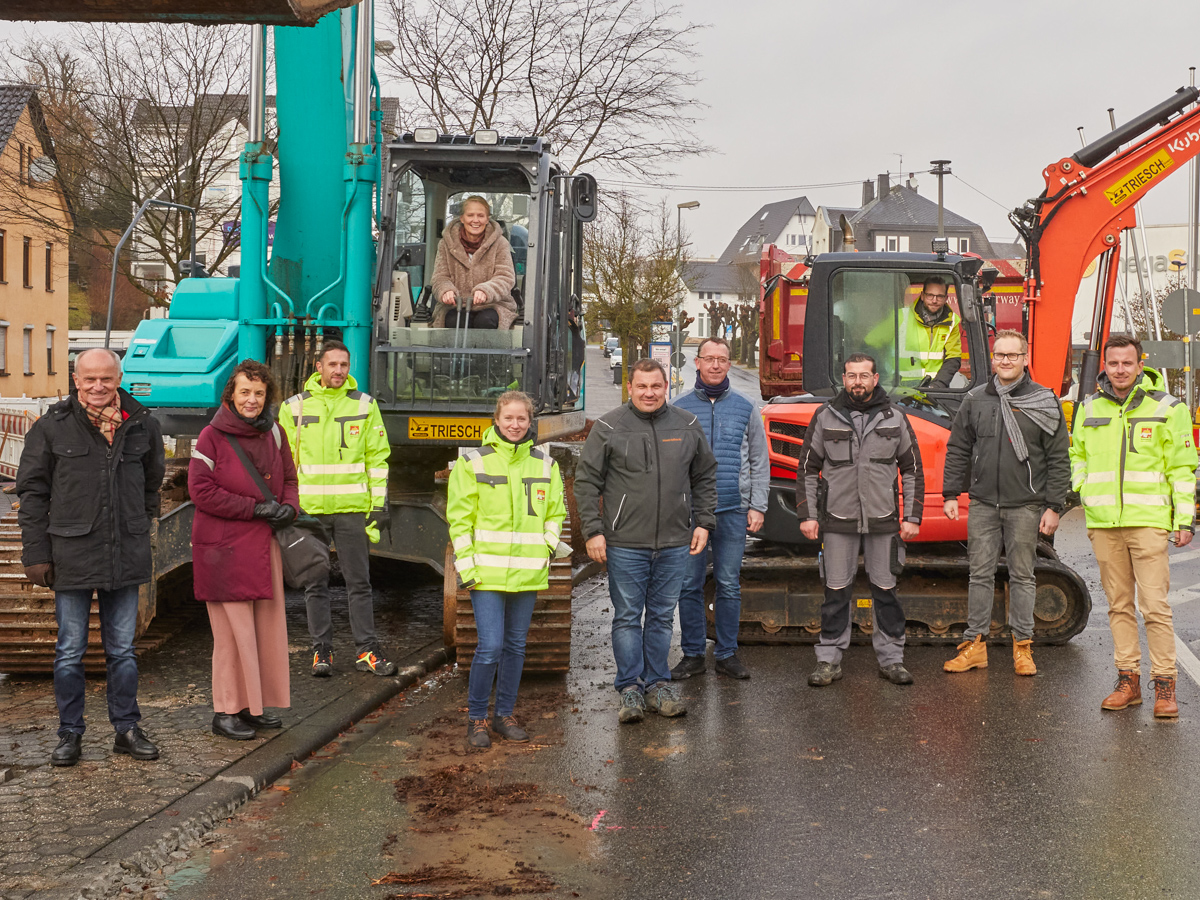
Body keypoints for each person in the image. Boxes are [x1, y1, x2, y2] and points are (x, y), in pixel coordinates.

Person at [16, 347, 165, 767]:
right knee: (70, 650)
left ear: (118, 378)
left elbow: (152, 483)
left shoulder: (142, 427)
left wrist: (139, 521)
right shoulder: (52, 428)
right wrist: (36, 554)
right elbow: (32, 494)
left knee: (122, 650)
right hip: (72, 554)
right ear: (76, 381)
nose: (98, 386)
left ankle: (126, 729)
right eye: (89, 379)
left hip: (125, 552)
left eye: (106, 378)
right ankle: (70, 733)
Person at [575, 359, 717, 723]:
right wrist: (593, 531)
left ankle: (657, 685)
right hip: (625, 542)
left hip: (674, 542)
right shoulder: (609, 427)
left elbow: (704, 476)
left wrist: (703, 522)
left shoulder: (686, 424)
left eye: (656, 386)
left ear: (666, 386)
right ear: (630, 387)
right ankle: (629, 689)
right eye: (642, 386)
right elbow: (587, 482)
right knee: (626, 617)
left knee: (660, 618)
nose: (649, 393)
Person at [1069, 334, 1196, 717]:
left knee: (1155, 607)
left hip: (1149, 523)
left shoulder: (1169, 408)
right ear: (1104, 366)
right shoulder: (1089, 407)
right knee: (1119, 606)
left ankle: (1165, 685)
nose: (1120, 370)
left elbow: (1182, 468)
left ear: (1141, 364)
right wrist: (1084, 487)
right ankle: (1129, 681)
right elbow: (1076, 453)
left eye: (1127, 363)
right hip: (1104, 523)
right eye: (1113, 363)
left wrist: (1184, 517)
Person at [940, 331, 1069, 675]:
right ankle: (975, 647)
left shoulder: (1044, 400)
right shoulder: (975, 399)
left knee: (1023, 576)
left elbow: (1058, 458)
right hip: (983, 504)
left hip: (1026, 506)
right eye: (1000, 355)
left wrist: (1054, 506)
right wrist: (951, 493)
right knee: (978, 575)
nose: (1006, 361)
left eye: (1013, 355)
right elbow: (958, 449)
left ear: (1025, 359)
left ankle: (1023, 648)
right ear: (992, 358)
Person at [447, 391, 567, 748]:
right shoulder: (473, 464)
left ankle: (504, 715)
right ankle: (477, 719)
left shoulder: (545, 465)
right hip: (486, 573)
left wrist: (545, 546)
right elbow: (460, 520)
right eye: (509, 419)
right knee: (491, 646)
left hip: (527, 572)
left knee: (515, 647)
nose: (515, 425)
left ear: (531, 422)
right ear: (496, 420)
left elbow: (555, 513)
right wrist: (467, 567)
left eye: (522, 419)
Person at [797, 352, 923, 687]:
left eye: (864, 375)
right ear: (844, 378)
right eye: (851, 375)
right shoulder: (825, 417)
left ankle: (892, 659)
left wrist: (912, 516)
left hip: (883, 521)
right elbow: (807, 469)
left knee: (886, 591)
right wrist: (808, 515)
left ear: (875, 378)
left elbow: (911, 470)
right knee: (835, 592)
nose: (857, 382)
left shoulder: (895, 417)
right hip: (838, 519)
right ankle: (828, 660)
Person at [189, 361, 296, 740]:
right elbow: (201, 491)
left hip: (262, 547)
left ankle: (254, 706)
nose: (252, 400)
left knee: (265, 630)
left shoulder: (276, 434)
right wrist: (256, 509)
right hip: (224, 550)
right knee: (232, 636)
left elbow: (290, 479)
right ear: (231, 395)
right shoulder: (210, 437)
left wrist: (289, 507)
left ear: (268, 397)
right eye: (245, 392)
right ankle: (226, 711)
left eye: (259, 393)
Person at [279, 341, 397, 677]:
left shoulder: (364, 405)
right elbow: (284, 463)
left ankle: (367, 650)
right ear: (318, 367)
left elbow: (377, 458)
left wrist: (378, 504)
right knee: (315, 584)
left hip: (351, 510)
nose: (338, 371)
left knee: (359, 582)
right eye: (332, 364)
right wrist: (287, 507)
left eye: (344, 364)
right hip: (309, 512)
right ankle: (322, 652)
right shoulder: (293, 408)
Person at [670, 337, 769, 681]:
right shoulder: (679, 409)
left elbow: (759, 459)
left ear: (729, 365)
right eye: (708, 359)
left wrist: (757, 505)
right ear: (696, 363)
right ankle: (693, 654)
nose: (715, 365)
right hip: (691, 513)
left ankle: (727, 653)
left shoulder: (746, 407)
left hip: (732, 510)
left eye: (722, 360)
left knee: (728, 583)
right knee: (689, 584)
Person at [430, 195, 518, 331]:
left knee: (485, 321)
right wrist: (445, 290)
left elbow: (505, 276)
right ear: (462, 218)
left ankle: (490, 353)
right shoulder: (445, 244)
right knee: (454, 321)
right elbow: (440, 276)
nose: (475, 220)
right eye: (470, 215)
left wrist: (485, 291)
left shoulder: (500, 243)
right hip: (456, 306)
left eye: (481, 216)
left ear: (487, 219)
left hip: (494, 305)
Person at [901, 276, 962, 386]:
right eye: (930, 295)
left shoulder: (952, 321)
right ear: (923, 296)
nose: (934, 300)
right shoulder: (901, 316)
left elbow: (953, 359)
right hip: (903, 389)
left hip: (934, 388)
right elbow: (872, 344)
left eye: (939, 296)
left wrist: (938, 385)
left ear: (946, 298)